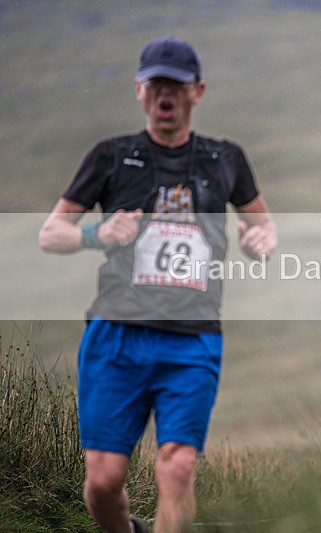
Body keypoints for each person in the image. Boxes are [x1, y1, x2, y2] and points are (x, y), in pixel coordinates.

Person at [39, 36, 277, 533]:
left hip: (192, 340)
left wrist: (259, 240)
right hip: (116, 335)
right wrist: (97, 233)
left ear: (198, 91)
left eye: (176, 84)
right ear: (139, 91)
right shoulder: (110, 156)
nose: (164, 94)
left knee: (178, 467)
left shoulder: (225, 158)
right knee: (103, 483)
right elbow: (51, 232)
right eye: (155, 84)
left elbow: (263, 223)